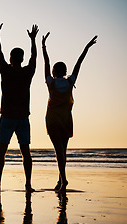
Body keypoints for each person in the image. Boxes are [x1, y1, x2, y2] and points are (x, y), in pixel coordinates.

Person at [0, 17, 39, 192]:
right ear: (22, 58)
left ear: (11, 58)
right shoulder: (27, 71)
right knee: (26, 152)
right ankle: (28, 184)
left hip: (8, 117)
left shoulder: (6, 70)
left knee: (1, 151)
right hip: (23, 118)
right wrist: (33, 40)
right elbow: (34, 57)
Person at [42, 33, 97, 191]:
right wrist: (86, 47)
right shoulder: (70, 81)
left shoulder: (51, 82)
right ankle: (60, 181)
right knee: (62, 151)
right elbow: (79, 62)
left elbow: (46, 61)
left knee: (59, 151)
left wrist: (43, 46)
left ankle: (63, 180)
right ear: (65, 71)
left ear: (54, 72)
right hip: (66, 120)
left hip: (53, 120)